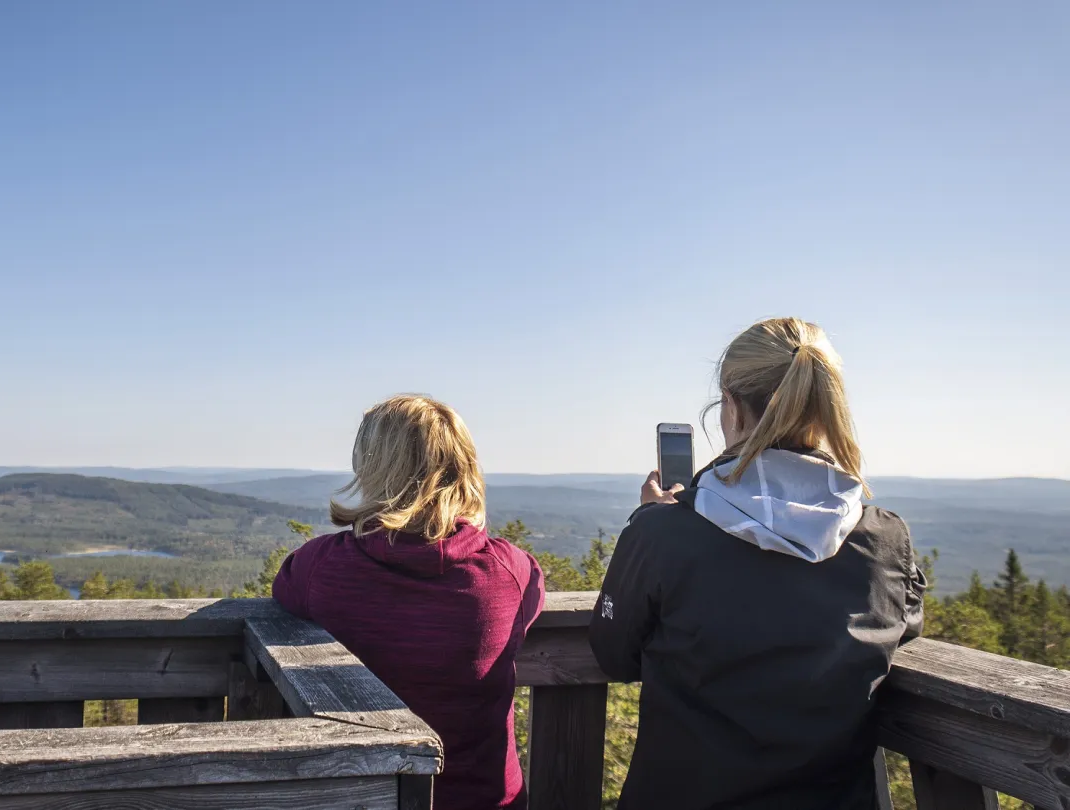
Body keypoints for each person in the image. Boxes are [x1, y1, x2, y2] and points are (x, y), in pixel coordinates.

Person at [589, 317, 926, 809]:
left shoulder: (664, 533)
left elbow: (613, 654)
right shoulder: (884, 537)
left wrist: (647, 525)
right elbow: (906, 623)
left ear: (730, 405)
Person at [273, 394, 545, 810]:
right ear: (464, 468)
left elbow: (285, 586)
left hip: (363, 798)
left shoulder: (320, 568)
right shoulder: (509, 572)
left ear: (372, 469)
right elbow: (530, 595)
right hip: (483, 800)